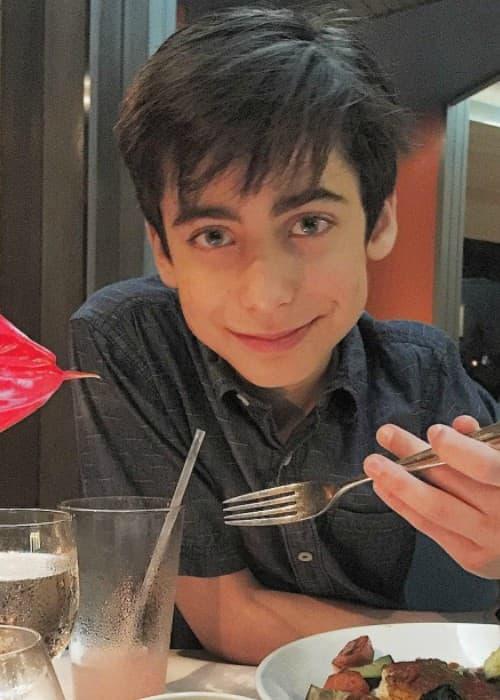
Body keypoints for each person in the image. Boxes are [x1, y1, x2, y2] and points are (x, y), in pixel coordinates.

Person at [70, 7, 500, 665]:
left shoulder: (425, 371)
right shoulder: (130, 343)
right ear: (163, 249)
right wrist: (442, 641)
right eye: (214, 235)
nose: (267, 294)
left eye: (309, 223)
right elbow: (226, 615)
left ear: (379, 221)